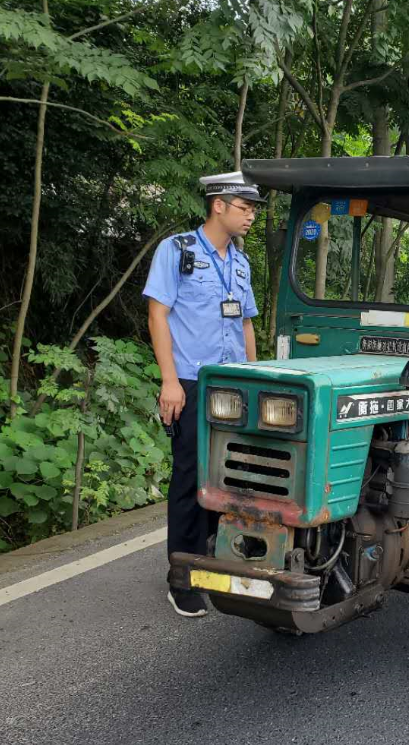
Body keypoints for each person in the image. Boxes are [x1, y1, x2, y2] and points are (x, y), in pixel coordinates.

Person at [143, 172, 265, 618]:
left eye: (253, 209)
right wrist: (169, 380)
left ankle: (214, 555)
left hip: (234, 383)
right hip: (193, 381)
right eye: (244, 207)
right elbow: (158, 315)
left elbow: (245, 322)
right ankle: (183, 575)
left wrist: (257, 377)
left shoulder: (239, 262)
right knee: (191, 475)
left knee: (230, 473)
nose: (251, 215)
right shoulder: (177, 251)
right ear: (218, 205)